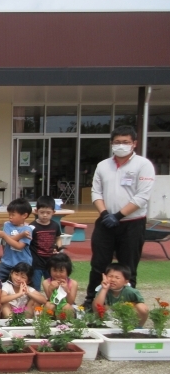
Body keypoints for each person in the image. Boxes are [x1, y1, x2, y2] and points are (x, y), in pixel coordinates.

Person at [84, 126, 156, 310]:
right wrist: (105, 214)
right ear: (111, 144)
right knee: (99, 264)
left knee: (128, 267)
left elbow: (142, 196)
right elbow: (96, 192)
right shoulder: (103, 165)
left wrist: (118, 215)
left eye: (126, 142)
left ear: (134, 144)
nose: (121, 145)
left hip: (132, 223)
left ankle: (128, 303)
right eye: (117, 142)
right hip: (105, 222)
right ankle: (92, 301)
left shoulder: (143, 165)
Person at [29, 195, 62, 291]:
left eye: (48, 213)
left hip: (50, 262)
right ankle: (36, 304)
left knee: (53, 285)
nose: (45, 215)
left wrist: (58, 249)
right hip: (36, 263)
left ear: (53, 212)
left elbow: (58, 238)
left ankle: (52, 302)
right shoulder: (32, 226)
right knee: (35, 286)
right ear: (36, 211)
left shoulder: (55, 225)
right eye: (42, 212)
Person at [0, 198, 33, 282]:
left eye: (13, 215)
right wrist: (20, 235)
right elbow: (8, 239)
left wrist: (5, 235)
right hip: (6, 262)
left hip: (23, 265)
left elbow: (19, 246)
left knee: (20, 285)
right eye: (9, 214)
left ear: (24, 215)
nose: (10, 217)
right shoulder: (7, 225)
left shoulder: (28, 229)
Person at [42, 253, 77, 319]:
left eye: (61, 271)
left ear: (67, 271)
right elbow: (51, 299)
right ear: (50, 270)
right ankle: (47, 325)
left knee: (65, 307)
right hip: (54, 306)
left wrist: (67, 290)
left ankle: (65, 326)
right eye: (54, 270)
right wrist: (50, 289)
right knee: (49, 305)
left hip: (68, 307)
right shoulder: (46, 282)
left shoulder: (73, 283)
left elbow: (70, 302)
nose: (58, 274)